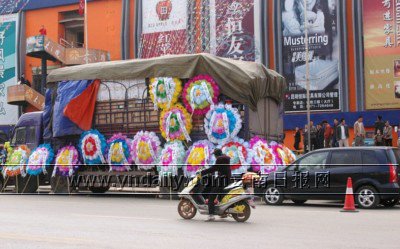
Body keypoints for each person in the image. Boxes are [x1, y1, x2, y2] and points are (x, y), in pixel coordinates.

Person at [200, 149, 231, 221]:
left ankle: (211, 215)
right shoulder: (225, 158)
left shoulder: (220, 159)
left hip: (222, 180)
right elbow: (218, 168)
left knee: (211, 196)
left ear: (216, 155)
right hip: (226, 179)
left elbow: (214, 168)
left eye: (214, 155)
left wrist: (202, 172)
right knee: (219, 194)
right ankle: (223, 213)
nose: (214, 156)